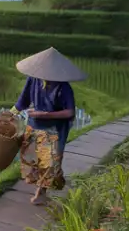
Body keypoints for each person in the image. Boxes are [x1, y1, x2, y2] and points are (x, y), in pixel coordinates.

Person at [11, 47, 85, 205]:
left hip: (54, 129)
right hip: (34, 125)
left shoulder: (63, 87)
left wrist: (45, 115)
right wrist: (10, 114)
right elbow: (22, 102)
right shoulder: (33, 79)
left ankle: (41, 192)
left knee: (48, 161)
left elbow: (69, 112)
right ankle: (52, 181)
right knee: (33, 160)